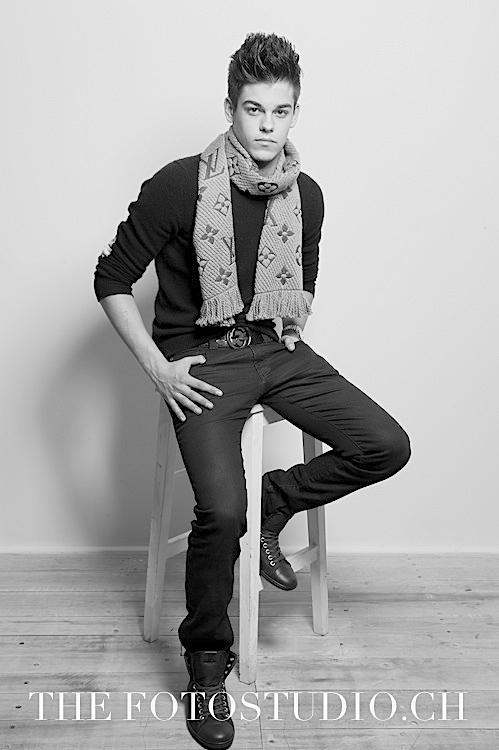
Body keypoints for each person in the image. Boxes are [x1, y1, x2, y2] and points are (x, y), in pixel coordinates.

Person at [93, 32, 411, 750]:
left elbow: (302, 282)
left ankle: (277, 500)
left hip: (275, 352)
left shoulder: (308, 195)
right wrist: (157, 368)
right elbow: (110, 279)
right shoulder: (179, 184)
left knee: (386, 445)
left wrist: (290, 327)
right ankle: (207, 662)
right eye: (253, 109)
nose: (267, 126)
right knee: (220, 512)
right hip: (200, 363)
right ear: (230, 108)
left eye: (281, 110)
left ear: (295, 112)